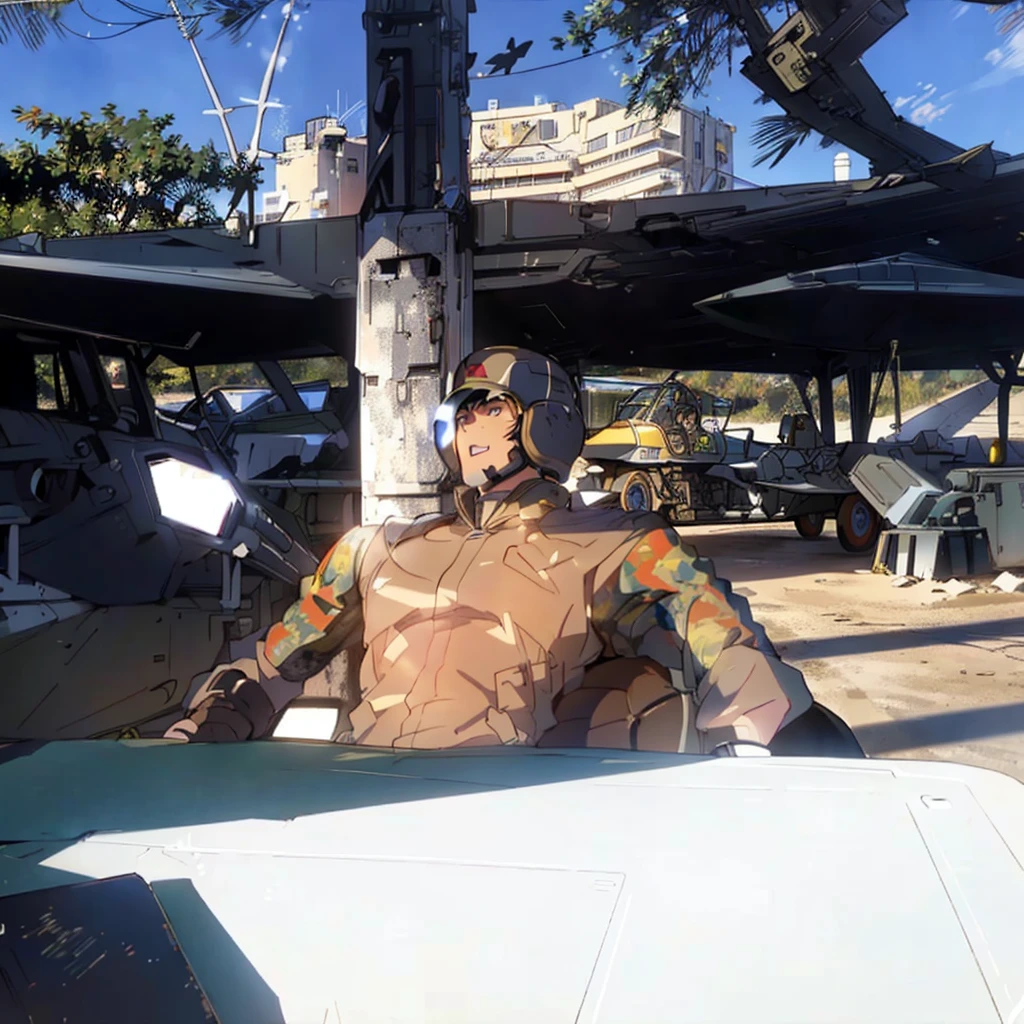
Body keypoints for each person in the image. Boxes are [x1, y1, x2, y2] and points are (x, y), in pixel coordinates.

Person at [165, 346, 813, 752]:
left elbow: (729, 647)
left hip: (507, 813)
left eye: (487, 409)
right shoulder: (374, 549)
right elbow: (275, 661)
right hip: (358, 795)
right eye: (459, 414)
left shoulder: (613, 545)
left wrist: (742, 753)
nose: (464, 428)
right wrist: (207, 722)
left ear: (544, 422)